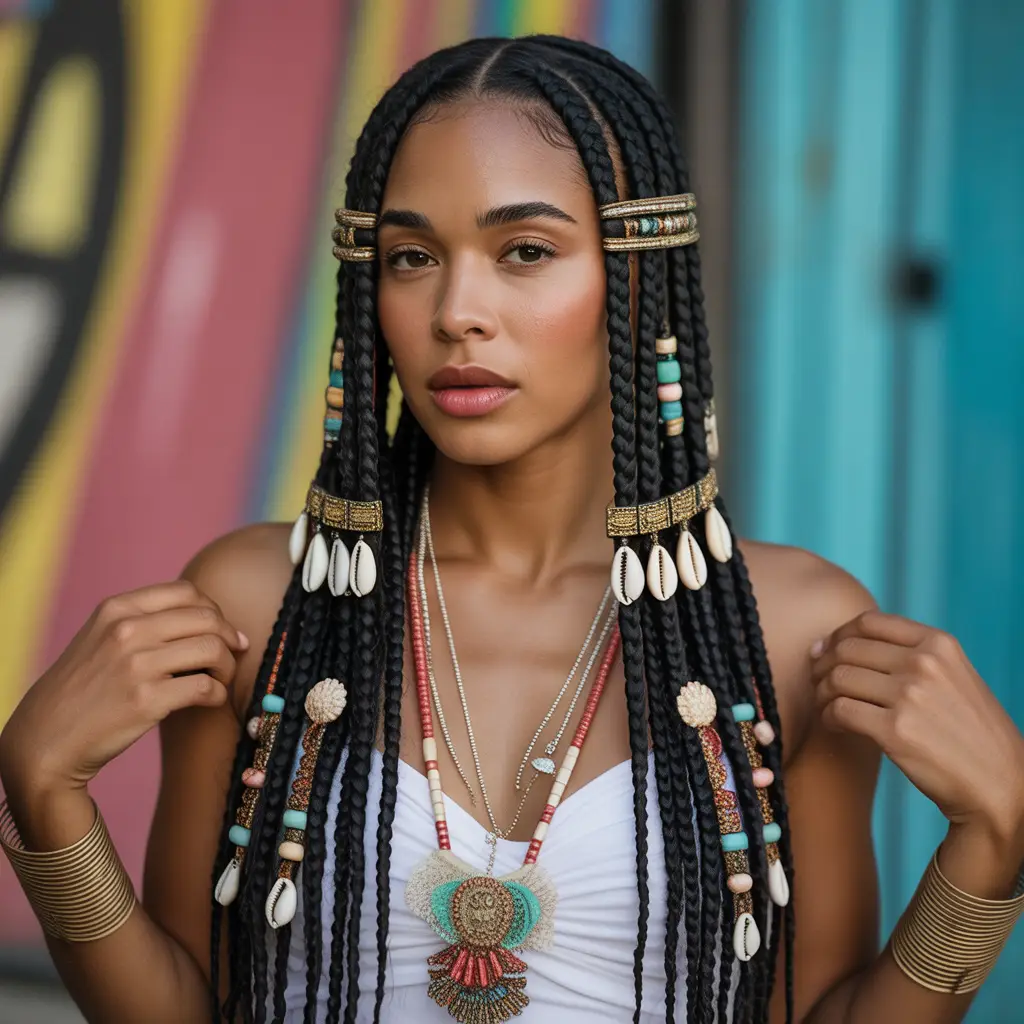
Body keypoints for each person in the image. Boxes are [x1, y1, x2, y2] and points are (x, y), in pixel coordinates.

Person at [1, 35, 1022, 1024]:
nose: (458, 310)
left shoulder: (790, 632)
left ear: (636, 271)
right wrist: (45, 799)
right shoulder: (260, 606)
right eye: (411, 257)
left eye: (524, 250)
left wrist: (995, 842)